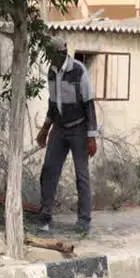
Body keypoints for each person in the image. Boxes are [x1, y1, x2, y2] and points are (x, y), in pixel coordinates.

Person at [36, 36, 98, 234]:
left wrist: (91, 136)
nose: (49, 58)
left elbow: (89, 103)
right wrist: (45, 130)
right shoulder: (52, 73)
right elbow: (53, 105)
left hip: (79, 128)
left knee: (81, 175)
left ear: (61, 52)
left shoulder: (79, 70)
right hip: (60, 128)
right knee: (49, 170)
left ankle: (84, 220)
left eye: (52, 54)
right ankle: (45, 216)